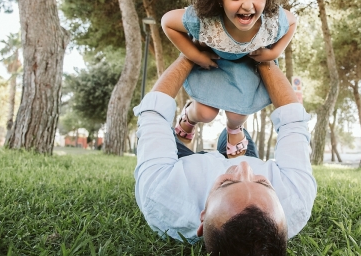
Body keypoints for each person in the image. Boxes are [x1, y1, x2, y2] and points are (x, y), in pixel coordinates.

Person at [134, 55, 316, 255]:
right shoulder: (296, 199)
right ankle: (234, 127)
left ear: (202, 218)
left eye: (226, 183)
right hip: (227, 151)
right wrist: (263, 58)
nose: (245, 167)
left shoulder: (161, 195)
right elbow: (293, 122)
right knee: (236, 122)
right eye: (263, 183)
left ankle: (189, 120)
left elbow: (153, 115)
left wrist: (189, 55)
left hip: (183, 163)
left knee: (202, 115)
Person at [161, 0, 297, 157]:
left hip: (245, 66)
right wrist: (195, 55)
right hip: (215, 64)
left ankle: (234, 129)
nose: (247, 4)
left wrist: (274, 52)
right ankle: (190, 117)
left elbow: (293, 22)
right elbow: (167, 22)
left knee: (237, 114)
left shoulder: (271, 22)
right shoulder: (207, 22)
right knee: (205, 113)